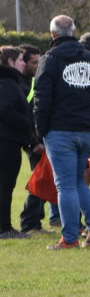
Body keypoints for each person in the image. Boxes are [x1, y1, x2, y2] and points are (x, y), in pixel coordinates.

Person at [33, 15, 90, 250]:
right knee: (77, 182)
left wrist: (40, 131)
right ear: (75, 32)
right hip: (87, 131)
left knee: (65, 184)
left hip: (60, 130)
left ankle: (69, 237)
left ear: (53, 34)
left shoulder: (49, 60)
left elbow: (41, 99)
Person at [0, 47, 33, 239]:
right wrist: (25, 123)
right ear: (11, 61)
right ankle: (4, 229)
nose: (23, 62)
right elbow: (4, 109)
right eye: (21, 59)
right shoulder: (8, 83)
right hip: (7, 142)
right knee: (5, 185)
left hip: (8, 140)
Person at [16, 44, 48, 235]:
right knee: (39, 179)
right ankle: (29, 223)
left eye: (39, 62)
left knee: (42, 180)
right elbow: (28, 116)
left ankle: (35, 223)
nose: (37, 66)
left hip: (37, 137)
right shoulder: (24, 83)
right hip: (32, 140)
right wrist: (34, 141)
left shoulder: (31, 81)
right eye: (33, 62)